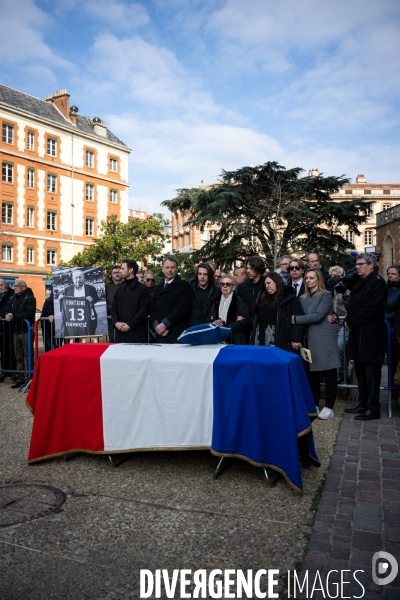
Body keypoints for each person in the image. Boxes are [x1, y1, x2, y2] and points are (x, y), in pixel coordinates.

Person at [344, 254, 388, 420]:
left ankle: (372, 407)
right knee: (361, 371)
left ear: (371, 265)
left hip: (370, 336)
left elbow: (370, 309)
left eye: (361, 264)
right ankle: (363, 403)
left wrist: (351, 322)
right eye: (357, 264)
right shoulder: (362, 281)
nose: (358, 267)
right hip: (359, 335)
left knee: (371, 374)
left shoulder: (377, 283)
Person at [293, 269, 340, 419]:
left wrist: (296, 319)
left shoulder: (325, 295)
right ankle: (313, 403)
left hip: (324, 337)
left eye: (311, 278)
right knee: (312, 374)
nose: (308, 280)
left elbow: (319, 316)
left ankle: (329, 406)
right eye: (306, 278)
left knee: (329, 372)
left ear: (318, 280)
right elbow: (311, 316)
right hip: (309, 339)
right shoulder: (303, 297)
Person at [250, 272, 304, 351]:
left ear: (277, 282)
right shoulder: (262, 298)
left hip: (280, 339)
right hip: (260, 338)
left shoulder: (289, 298)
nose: (267, 286)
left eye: (269, 283)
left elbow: (298, 319)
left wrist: (296, 338)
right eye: (265, 284)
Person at [150, 257, 191, 343]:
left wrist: (164, 325)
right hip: (160, 333)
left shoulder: (184, 286)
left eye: (172, 267)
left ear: (177, 269)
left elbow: (181, 309)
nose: (170, 270)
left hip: (176, 333)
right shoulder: (158, 288)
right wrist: (157, 326)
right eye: (167, 267)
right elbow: (152, 308)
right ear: (163, 269)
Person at [5, 280, 36, 388]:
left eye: (17, 286)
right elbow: (6, 310)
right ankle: (20, 379)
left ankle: (30, 379)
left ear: (23, 287)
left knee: (28, 356)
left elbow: (30, 313)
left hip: (26, 330)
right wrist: (7, 314)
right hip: (15, 330)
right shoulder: (12, 298)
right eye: (14, 286)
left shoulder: (30, 298)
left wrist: (14, 316)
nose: (15, 288)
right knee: (18, 356)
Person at [111, 259, 150, 343]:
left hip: (137, 335)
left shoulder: (143, 289)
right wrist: (116, 323)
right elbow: (114, 308)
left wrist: (129, 325)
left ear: (131, 270)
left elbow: (144, 310)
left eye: (122, 269)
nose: (120, 271)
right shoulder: (119, 289)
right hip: (120, 335)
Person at [59, 269, 101, 336]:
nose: (78, 280)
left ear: (83, 278)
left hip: (89, 317)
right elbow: (64, 305)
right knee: (74, 338)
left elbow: (97, 298)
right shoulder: (67, 289)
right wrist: (60, 299)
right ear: (73, 279)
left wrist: (92, 299)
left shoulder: (91, 288)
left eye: (80, 277)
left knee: (89, 337)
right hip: (73, 319)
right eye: (76, 278)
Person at [327, 266, 351, 384]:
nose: (333, 278)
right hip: (333, 323)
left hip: (345, 324)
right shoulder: (331, 290)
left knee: (340, 347)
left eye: (336, 275)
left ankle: (344, 376)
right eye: (331, 276)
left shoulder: (347, 289)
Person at [237, 255, 266, 341]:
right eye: (247, 268)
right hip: (246, 326)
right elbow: (239, 303)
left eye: (251, 268)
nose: (248, 271)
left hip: (262, 324)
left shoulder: (266, 284)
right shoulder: (242, 286)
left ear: (258, 268)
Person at [214, 275, 249, 344]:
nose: (225, 286)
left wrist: (227, 326)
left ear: (234, 287)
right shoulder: (215, 300)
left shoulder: (239, 301)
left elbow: (243, 321)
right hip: (217, 338)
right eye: (222, 284)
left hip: (234, 339)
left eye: (228, 284)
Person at [0, 279, 16, 382]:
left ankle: (13, 372)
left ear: (6, 284)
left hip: (9, 326)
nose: (0, 287)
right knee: (3, 350)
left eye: (1, 285)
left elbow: (10, 308)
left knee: (11, 350)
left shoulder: (12, 294)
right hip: (1, 327)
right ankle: (4, 371)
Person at [105, 265, 122, 341]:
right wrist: (112, 309)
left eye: (118, 272)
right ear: (111, 275)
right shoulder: (106, 286)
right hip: (110, 319)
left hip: (124, 319)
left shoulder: (126, 285)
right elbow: (103, 301)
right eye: (115, 272)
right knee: (113, 341)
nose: (117, 274)